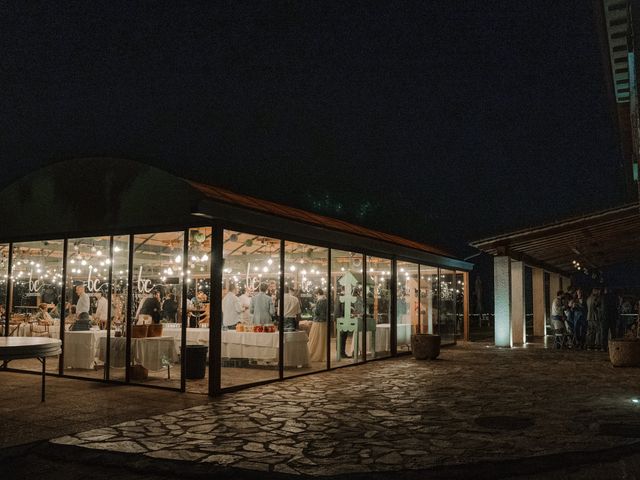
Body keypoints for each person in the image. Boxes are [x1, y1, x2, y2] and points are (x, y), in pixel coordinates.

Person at [308, 288, 328, 362]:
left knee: (314, 338)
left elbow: (317, 312)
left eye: (316, 295)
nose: (315, 296)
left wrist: (313, 307)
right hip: (324, 322)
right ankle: (320, 354)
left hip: (318, 322)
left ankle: (315, 354)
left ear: (318, 294)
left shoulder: (320, 301)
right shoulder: (326, 300)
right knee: (321, 340)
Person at [602, 287, 619, 351]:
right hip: (612, 317)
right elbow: (616, 307)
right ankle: (614, 346)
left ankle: (604, 347)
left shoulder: (604, 297)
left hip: (606, 317)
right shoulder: (615, 297)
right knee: (613, 333)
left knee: (605, 333)